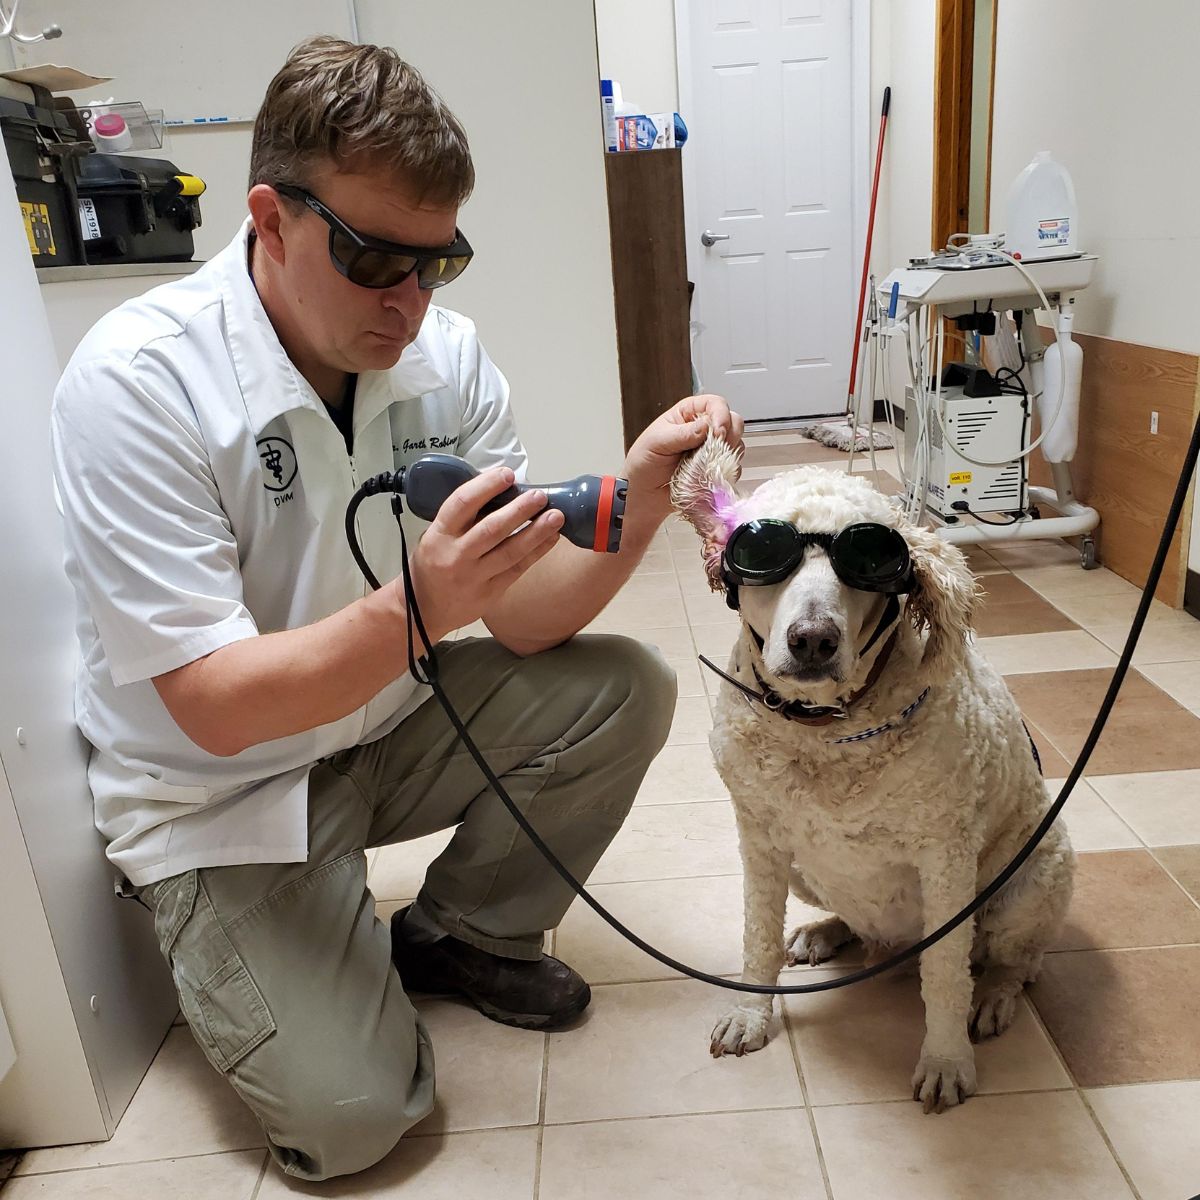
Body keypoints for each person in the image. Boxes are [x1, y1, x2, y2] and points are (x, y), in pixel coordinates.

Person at [50, 35, 743, 1182]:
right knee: (354, 1120)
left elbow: (525, 625)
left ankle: (457, 933)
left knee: (625, 688)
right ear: (271, 221)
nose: (412, 305)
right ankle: (266, 935)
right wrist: (421, 606)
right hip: (218, 793)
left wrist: (647, 493)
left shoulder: (446, 364)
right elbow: (217, 710)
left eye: (440, 264)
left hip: (375, 733)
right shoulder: (140, 382)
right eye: (377, 260)